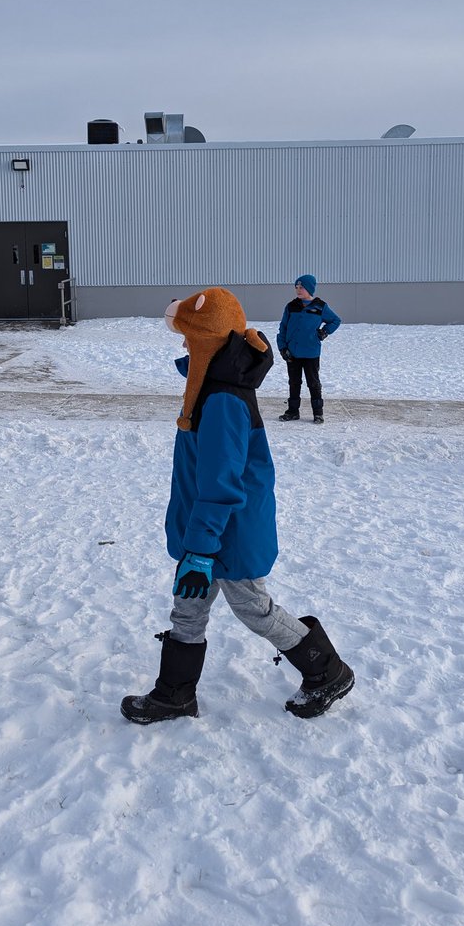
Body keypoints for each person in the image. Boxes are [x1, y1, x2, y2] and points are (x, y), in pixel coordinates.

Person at [120, 287, 353, 725]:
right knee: (187, 606)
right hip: (207, 529)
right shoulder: (209, 387)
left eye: (190, 336)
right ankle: (175, 695)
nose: (184, 344)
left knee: (253, 609)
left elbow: (223, 483)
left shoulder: (223, 399)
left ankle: (326, 670)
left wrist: (201, 549)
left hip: (228, 531)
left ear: (208, 340)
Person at [276, 275, 341, 424]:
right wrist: (282, 348)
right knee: (294, 382)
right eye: (296, 287)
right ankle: (293, 411)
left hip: (311, 352)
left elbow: (336, 320)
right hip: (292, 352)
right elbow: (283, 328)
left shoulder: (320, 307)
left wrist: (324, 332)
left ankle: (318, 413)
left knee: (313, 383)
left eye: (302, 287)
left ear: (309, 289)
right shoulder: (291, 306)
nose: (298, 290)